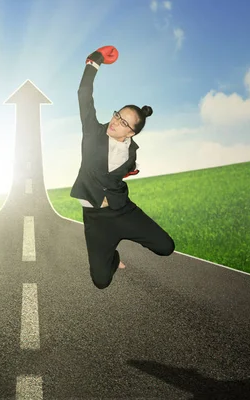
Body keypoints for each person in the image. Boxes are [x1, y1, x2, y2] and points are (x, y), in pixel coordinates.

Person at [70, 45, 176, 290]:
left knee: (166, 247)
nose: (115, 123)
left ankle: (125, 237)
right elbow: (84, 93)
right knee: (101, 282)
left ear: (131, 132)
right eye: (117, 115)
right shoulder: (93, 131)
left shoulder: (132, 151)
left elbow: (121, 172)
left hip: (123, 211)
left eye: (123, 123)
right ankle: (113, 257)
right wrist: (94, 61)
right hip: (96, 218)